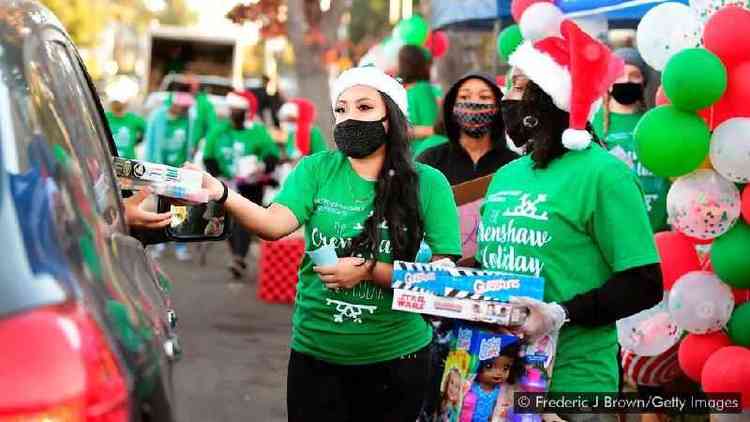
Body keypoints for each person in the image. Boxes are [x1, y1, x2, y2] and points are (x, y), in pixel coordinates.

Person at [193, 66, 462, 422]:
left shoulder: (429, 183)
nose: (350, 117)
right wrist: (221, 192)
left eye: (364, 108)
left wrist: (369, 272)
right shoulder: (316, 169)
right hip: (315, 353)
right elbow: (273, 225)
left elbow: (442, 281)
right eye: (341, 109)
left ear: (392, 117)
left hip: (398, 358)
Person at [478, 20, 662, 417]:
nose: (507, 98)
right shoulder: (508, 174)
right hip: (498, 380)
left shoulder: (603, 173)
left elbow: (644, 283)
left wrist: (561, 314)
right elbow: (494, 264)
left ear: (548, 97)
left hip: (575, 386)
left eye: (519, 86)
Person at [203, 92, 280, 279]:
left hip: (251, 186)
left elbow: (271, 155)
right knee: (229, 221)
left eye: (237, 110)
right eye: (232, 110)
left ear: (246, 112)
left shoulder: (258, 131)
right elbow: (209, 156)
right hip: (226, 184)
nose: (233, 114)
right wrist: (218, 176)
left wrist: (262, 166)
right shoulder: (219, 131)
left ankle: (239, 257)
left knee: (244, 221)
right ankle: (236, 254)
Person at [592, 48, 670, 232]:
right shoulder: (592, 126)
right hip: (611, 232)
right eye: (619, 75)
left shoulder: (654, 122)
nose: (626, 81)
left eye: (634, 75)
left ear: (643, 82)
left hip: (656, 230)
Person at [417, 72, 517, 186]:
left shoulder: (513, 164)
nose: (474, 103)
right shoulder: (431, 161)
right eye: (464, 97)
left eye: (484, 97)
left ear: (497, 107)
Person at [144, 92, 195, 261]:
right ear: (175, 104)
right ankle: (159, 242)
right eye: (183, 107)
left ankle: (178, 242)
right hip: (160, 169)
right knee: (161, 206)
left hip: (179, 170)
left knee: (180, 205)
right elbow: (151, 143)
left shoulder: (188, 118)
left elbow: (189, 143)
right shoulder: (158, 117)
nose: (184, 110)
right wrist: (152, 168)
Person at [459, 343, 520, 422]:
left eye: (505, 368)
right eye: (489, 366)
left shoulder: (499, 391)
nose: (499, 373)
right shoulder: (472, 387)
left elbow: (496, 408)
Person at [398, 45, 440, 156]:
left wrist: (402, 131)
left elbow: (434, 129)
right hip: (414, 156)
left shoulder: (418, 89)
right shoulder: (414, 89)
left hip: (418, 156)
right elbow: (434, 129)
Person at [106, 95, 146, 159]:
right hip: (109, 159)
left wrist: (139, 140)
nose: (117, 105)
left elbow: (149, 129)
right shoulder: (105, 117)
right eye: (115, 102)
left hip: (128, 160)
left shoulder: (133, 119)